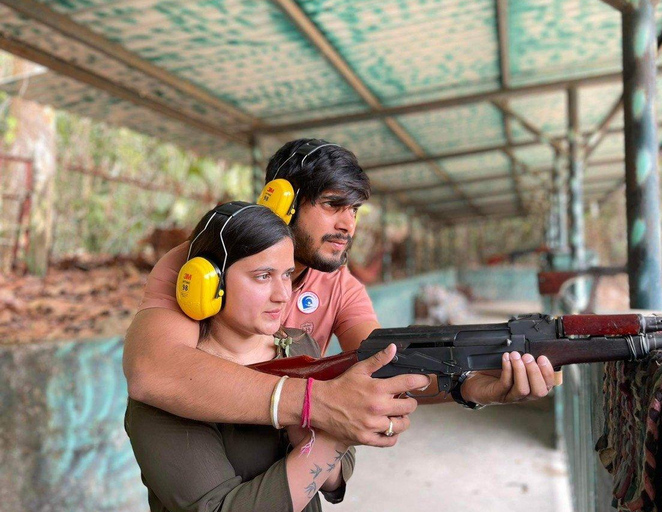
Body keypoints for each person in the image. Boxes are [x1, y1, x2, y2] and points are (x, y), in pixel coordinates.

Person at [123, 139, 555, 449]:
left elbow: (386, 365)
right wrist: (318, 404)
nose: (349, 225)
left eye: (354, 209)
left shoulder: (342, 285)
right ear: (282, 202)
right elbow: (152, 370)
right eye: (333, 205)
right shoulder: (202, 262)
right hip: (200, 455)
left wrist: (475, 387)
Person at [127, 203, 371, 511]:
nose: (283, 294)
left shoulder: (300, 346)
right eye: (263, 275)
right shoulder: (170, 392)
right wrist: (328, 435)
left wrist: (309, 432)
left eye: (286, 275)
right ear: (210, 281)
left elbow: (336, 479)